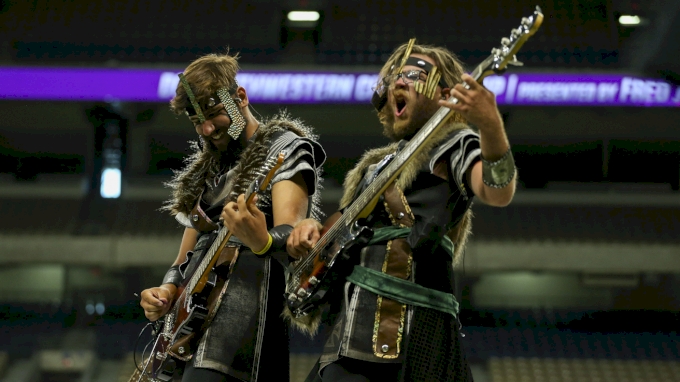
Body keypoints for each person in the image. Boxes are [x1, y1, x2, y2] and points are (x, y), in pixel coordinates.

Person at [286, 41, 516, 381]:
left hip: (409, 337)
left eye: (414, 74)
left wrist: (490, 125)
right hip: (348, 331)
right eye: (395, 74)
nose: (398, 81)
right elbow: (343, 224)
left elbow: (497, 191)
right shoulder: (377, 164)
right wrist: (309, 230)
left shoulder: (454, 141)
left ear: (444, 94)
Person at [139, 51, 326, 382]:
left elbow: (297, 238)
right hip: (186, 328)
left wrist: (263, 240)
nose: (208, 128)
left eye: (214, 113)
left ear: (240, 97)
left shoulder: (285, 147)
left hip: (243, 321)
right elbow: (185, 260)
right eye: (198, 121)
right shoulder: (206, 175)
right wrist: (166, 291)